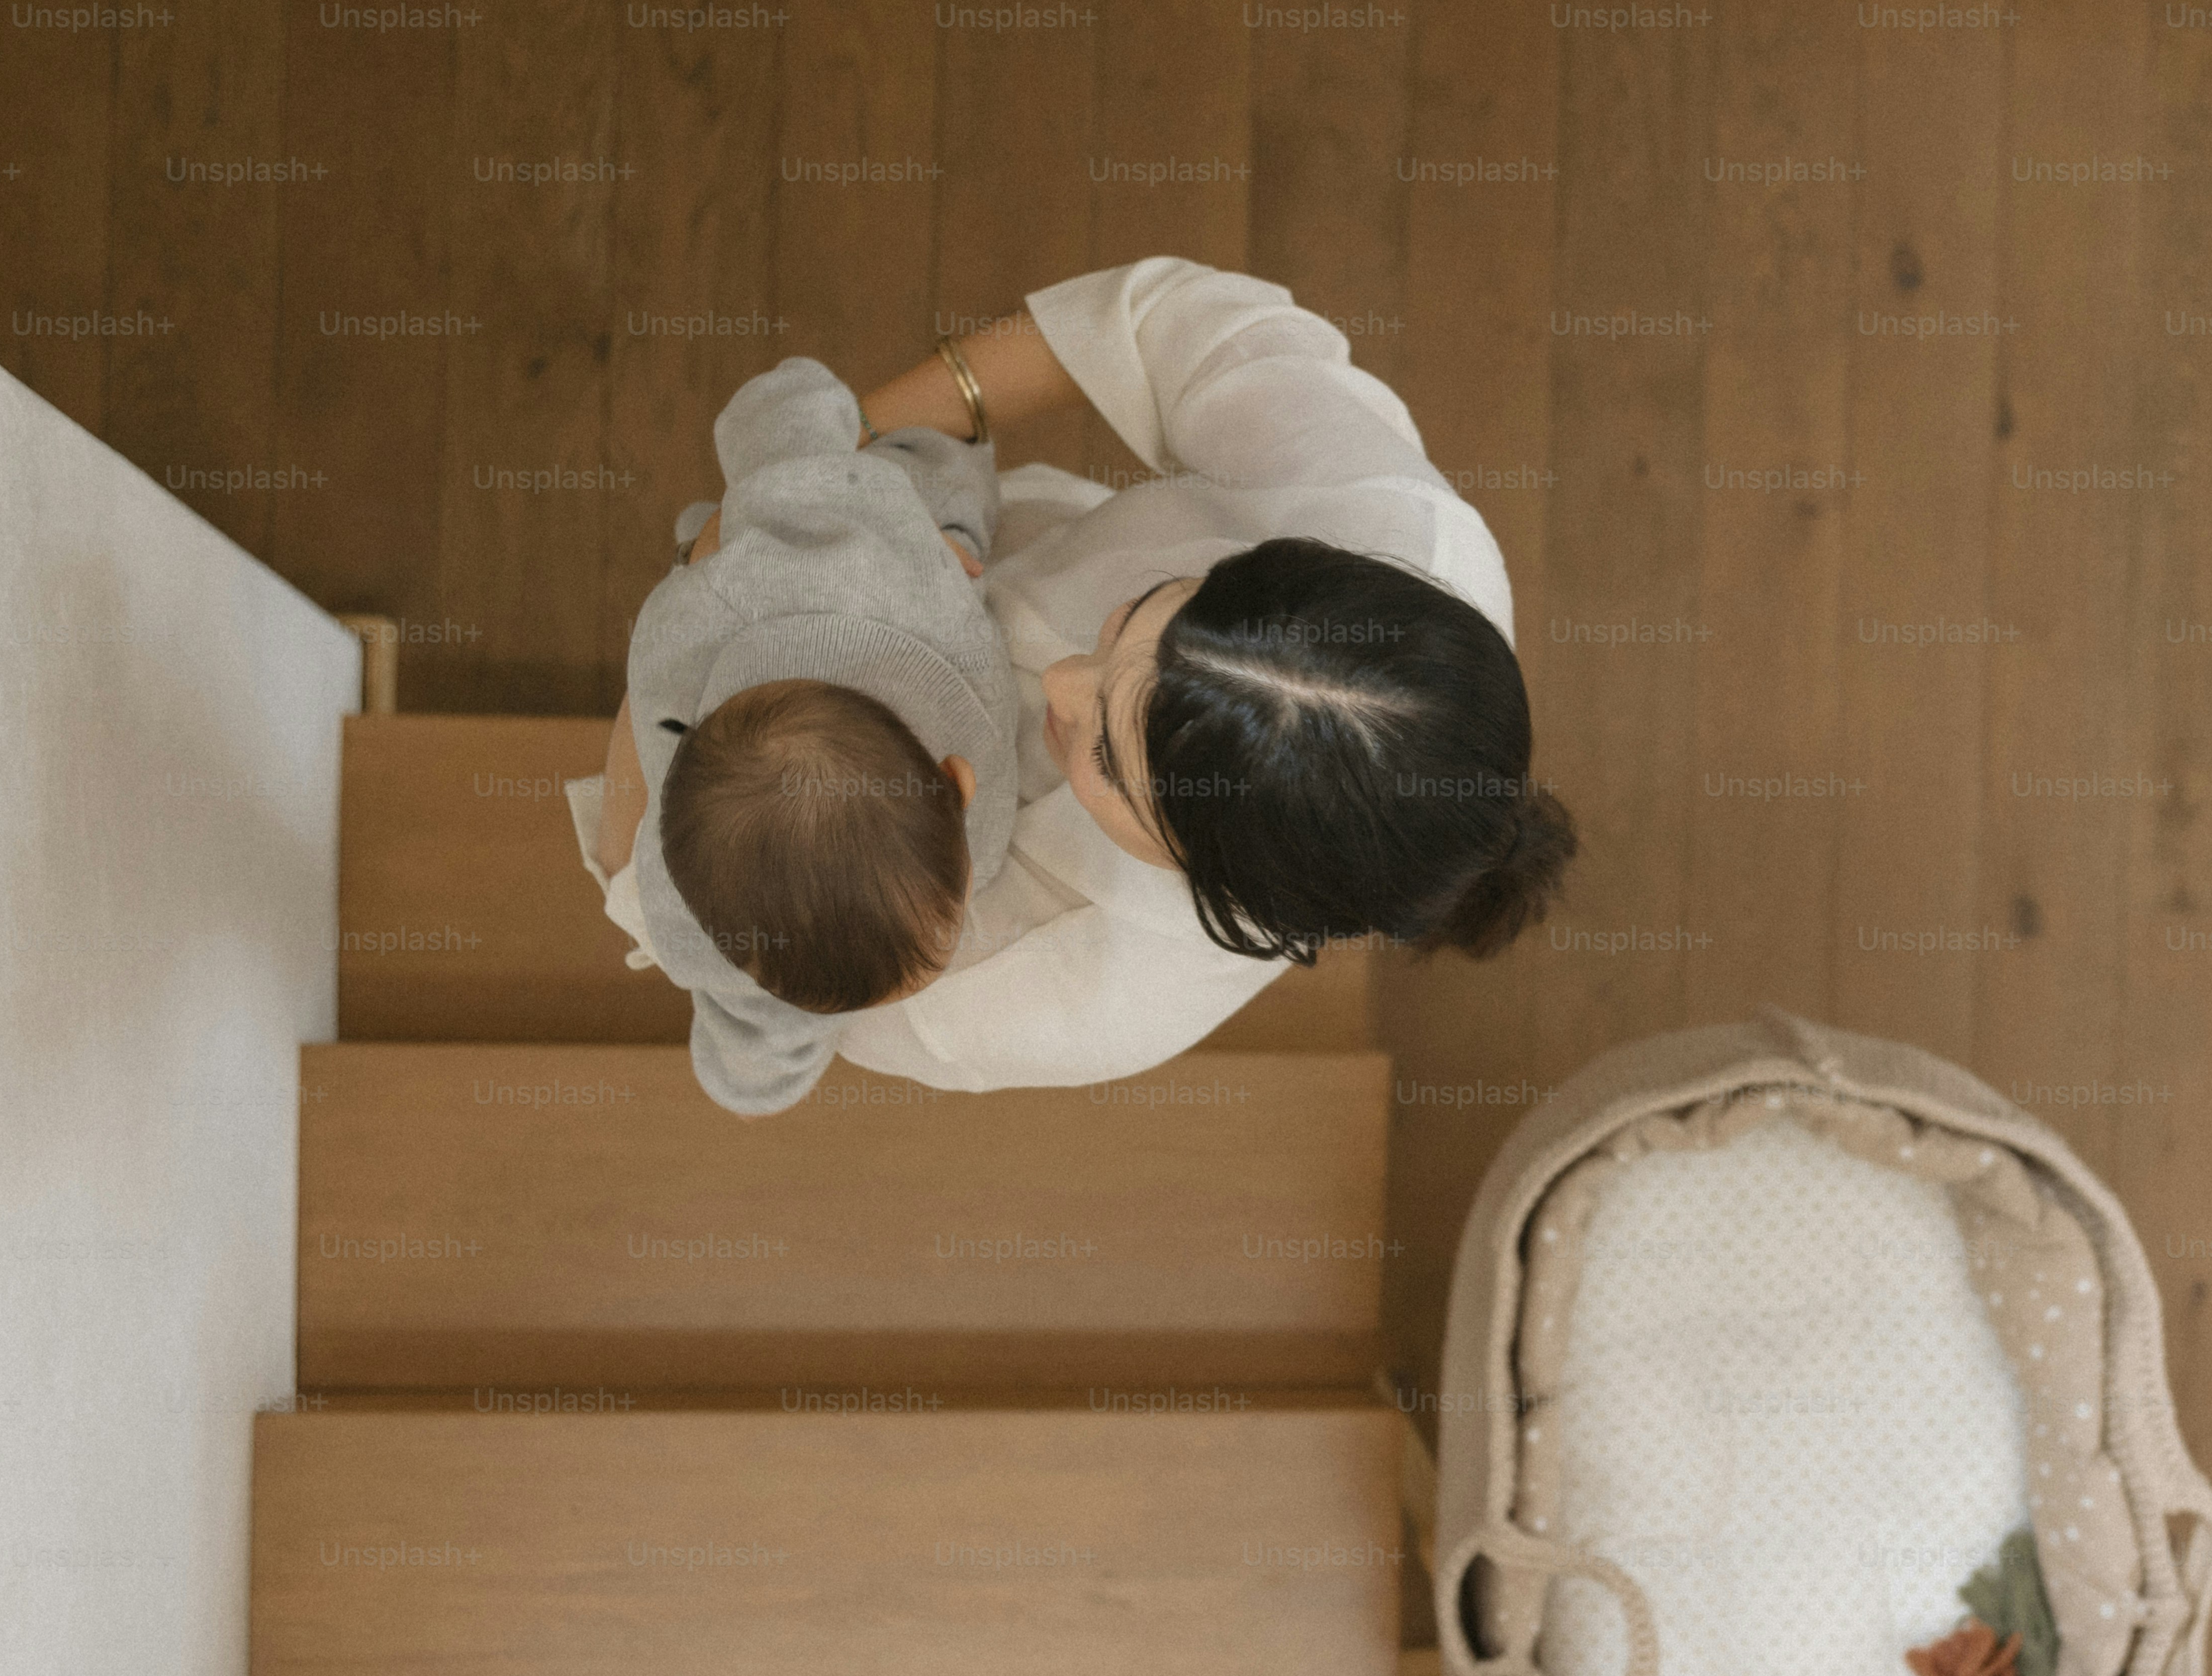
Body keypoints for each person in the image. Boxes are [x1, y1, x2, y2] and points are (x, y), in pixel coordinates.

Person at [580, 256, 1576, 1098]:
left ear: (1200, 873)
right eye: (1139, 616)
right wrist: (847, 470)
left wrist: (711, 588)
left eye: (1105, 750)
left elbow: (752, 933)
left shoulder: (1070, 990)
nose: (1060, 680)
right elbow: (1154, 324)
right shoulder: (1381, 514)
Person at [567, 356, 1019, 1116]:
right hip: (743, 610)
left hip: (885, 569)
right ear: (955, 780)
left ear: (956, 778)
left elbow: (784, 429)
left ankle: (755, 1078)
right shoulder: (699, 921)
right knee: (757, 1014)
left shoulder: (895, 591)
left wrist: (802, 406)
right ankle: (754, 1071)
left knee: (934, 493)